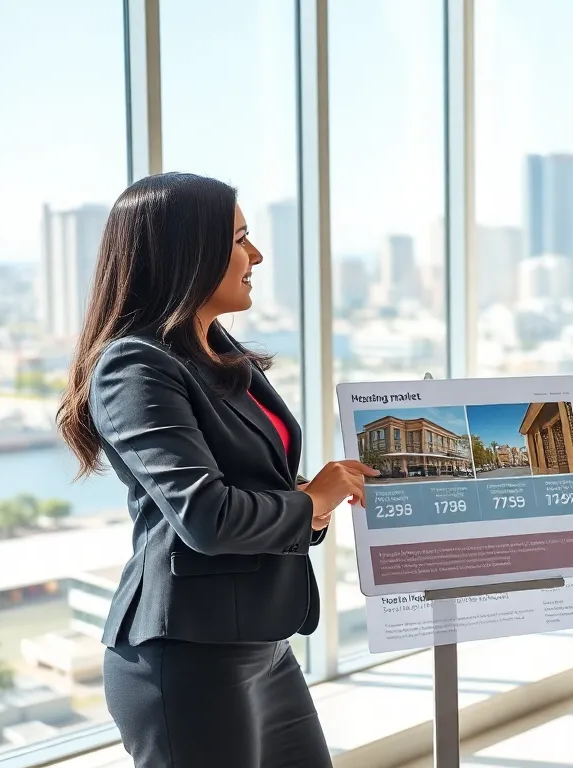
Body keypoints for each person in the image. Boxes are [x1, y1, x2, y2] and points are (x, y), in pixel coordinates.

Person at [56, 172, 375, 767]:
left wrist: (314, 504)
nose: (256, 254)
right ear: (188, 251)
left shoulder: (216, 351)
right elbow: (206, 516)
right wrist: (313, 500)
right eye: (240, 238)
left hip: (260, 641)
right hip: (186, 656)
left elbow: (256, 488)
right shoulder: (134, 365)